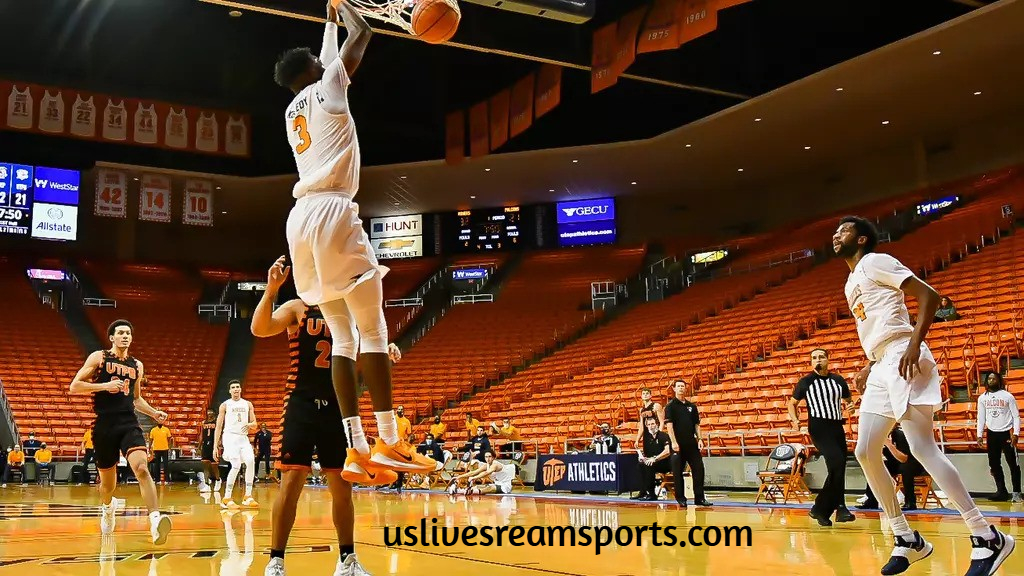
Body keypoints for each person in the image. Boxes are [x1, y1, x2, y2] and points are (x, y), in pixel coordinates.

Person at [273, 0, 434, 484]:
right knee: (374, 331)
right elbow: (361, 38)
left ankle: (355, 450)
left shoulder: (293, 108)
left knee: (343, 336)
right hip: (332, 212)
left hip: (300, 219)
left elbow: (328, 58)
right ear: (314, 70)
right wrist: (350, 16)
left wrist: (327, 19)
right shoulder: (328, 87)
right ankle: (390, 439)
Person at [835, 215, 1014, 575]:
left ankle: (987, 535)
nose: (837, 234)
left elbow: (929, 296)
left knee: (921, 447)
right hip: (883, 362)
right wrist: (871, 364)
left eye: (846, 230)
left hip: (905, 355)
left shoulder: (876, 261)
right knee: (866, 450)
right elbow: (882, 325)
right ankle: (907, 538)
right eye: (836, 230)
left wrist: (914, 344)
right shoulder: (851, 279)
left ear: (862, 240)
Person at [251, 255, 404, 576]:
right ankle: (275, 561)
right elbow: (260, 328)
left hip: (338, 406)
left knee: (342, 485)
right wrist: (271, 289)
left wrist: (383, 355)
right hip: (301, 402)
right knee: (291, 481)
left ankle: (347, 560)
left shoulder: (349, 309)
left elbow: (357, 367)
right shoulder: (297, 307)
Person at [69, 319, 172, 544]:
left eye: (128, 333)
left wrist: (154, 413)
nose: (125, 336)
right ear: (112, 337)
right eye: (120, 333)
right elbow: (74, 386)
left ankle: (155, 521)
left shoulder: (137, 365)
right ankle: (108, 508)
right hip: (105, 424)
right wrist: (104, 386)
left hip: (128, 422)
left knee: (142, 468)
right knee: (107, 486)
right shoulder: (99, 357)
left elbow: (136, 399)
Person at [788, 348, 855, 526]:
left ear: (827, 359)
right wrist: (795, 420)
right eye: (814, 358)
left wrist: (851, 407)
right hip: (818, 427)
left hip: (836, 426)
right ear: (811, 362)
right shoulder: (806, 382)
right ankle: (830, 507)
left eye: (821, 357)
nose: (818, 360)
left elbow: (849, 401)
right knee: (837, 463)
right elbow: (792, 403)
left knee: (838, 467)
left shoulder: (838, 380)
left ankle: (829, 510)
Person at [664, 379, 712, 508]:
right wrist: (673, 442)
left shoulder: (692, 406)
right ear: (674, 389)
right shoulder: (670, 406)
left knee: (699, 470)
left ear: (685, 388)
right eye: (678, 386)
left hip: (691, 443)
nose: (681, 388)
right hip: (677, 444)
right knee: (678, 472)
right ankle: (681, 498)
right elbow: (669, 426)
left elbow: (697, 425)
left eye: (683, 386)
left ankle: (700, 498)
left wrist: (700, 439)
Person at [977, 372, 1021, 502]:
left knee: (1013, 464)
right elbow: (981, 418)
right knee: (994, 464)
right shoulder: (982, 398)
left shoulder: (1008, 396)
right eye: (989, 378)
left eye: (994, 378)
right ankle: (1001, 492)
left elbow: (1016, 416)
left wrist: (1016, 433)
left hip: (1006, 433)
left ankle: (1017, 493)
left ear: (999, 380)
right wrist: (979, 435)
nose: (991, 380)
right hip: (991, 434)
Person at [214, 380, 259, 509]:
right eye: (233, 387)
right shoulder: (225, 405)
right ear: (229, 391)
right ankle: (226, 498)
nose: (235, 389)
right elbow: (218, 426)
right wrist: (215, 446)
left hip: (243, 438)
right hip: (229, 436)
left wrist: (250, 425)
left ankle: (248, 496)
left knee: (250, 461)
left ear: (240, 389)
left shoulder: (247, 404)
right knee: (236, 465)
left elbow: (255, 424)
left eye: (237, 387)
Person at [859, 425, 923, 511]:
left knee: (906, 468)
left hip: (913, 463)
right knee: (874, 467)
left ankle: (910, 502)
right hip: (896, 463)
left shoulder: (900, 435)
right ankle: (871, 501)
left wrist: (889, 445)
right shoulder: (881, 436)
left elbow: (904, 458)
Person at [632, 416, 672, 501]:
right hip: (654, 461)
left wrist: (655, 459)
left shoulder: (663, 435)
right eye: (649, 424)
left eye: (653, 424)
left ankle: (652, 494)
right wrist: (644, 458)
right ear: (647, 426)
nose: (651, 426)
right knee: (641, 465)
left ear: (657, 424)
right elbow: (648, 455)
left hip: (665, 462)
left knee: (649, 465)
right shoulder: (648, 438)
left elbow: (667, 451)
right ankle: (643, 491)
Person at [450, 449, 516, 495]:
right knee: (477, 486)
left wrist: (474, 478)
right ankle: (458, 491)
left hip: (505, 486)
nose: (488, 459)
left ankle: (471, 492)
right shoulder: (486, 465)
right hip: (497, 483)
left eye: (489, 456)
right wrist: (459, 476)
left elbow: (486, 473)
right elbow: (474, 472)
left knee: (490, 488)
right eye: (486, 457)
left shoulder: (495, 464)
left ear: (493, 457)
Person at [198, 409, 222, 494]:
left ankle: (218, 480)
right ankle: (207, 485)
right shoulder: (204, 422)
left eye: (211, 413)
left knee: (214, 465)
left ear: (214, 414)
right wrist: (199, 446)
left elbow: (220, 433)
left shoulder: (216, 422)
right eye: (208, 413)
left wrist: (219, 444)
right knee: (206, 465)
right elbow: (201, 435)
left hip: (213, 445)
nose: (209, 414)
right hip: (205, 445)